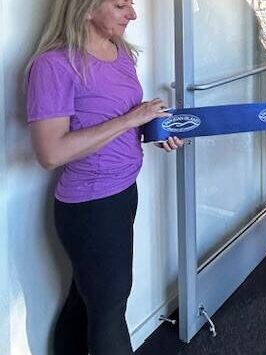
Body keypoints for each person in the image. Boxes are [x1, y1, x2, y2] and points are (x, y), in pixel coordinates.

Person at [25, 1, 183, 354]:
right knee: (110, 310)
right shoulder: (52, 66)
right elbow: (50, 153)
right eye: (120, 4)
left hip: (124, 191)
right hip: (90, 207)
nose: (133, 13)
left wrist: (156, 129)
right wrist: (130, 120)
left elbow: (118, 123)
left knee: (86, 301)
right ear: (85, 9)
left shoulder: (121, 52)